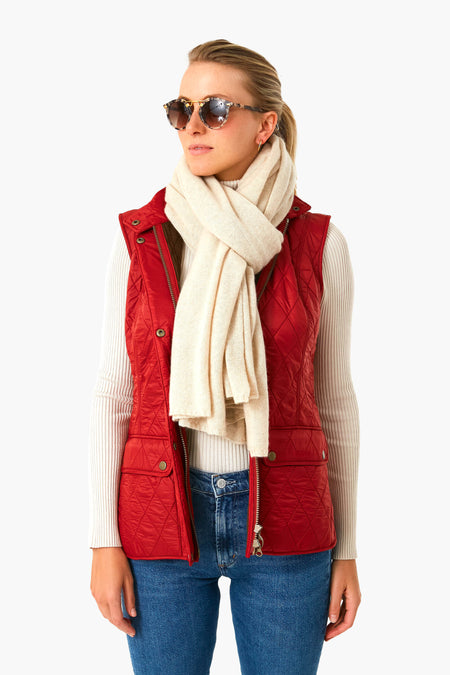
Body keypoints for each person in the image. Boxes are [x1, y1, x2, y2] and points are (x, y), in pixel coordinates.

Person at [89, 38, 362, 675]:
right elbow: (114, 392)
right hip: (161, 511)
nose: (192, 125)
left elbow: (334, 401)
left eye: (214, 109)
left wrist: (347, 548)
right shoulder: (141, 238)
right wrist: (103, 540)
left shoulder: (318, 244)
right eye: (180, 109)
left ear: (266, 124)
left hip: (287, 517)